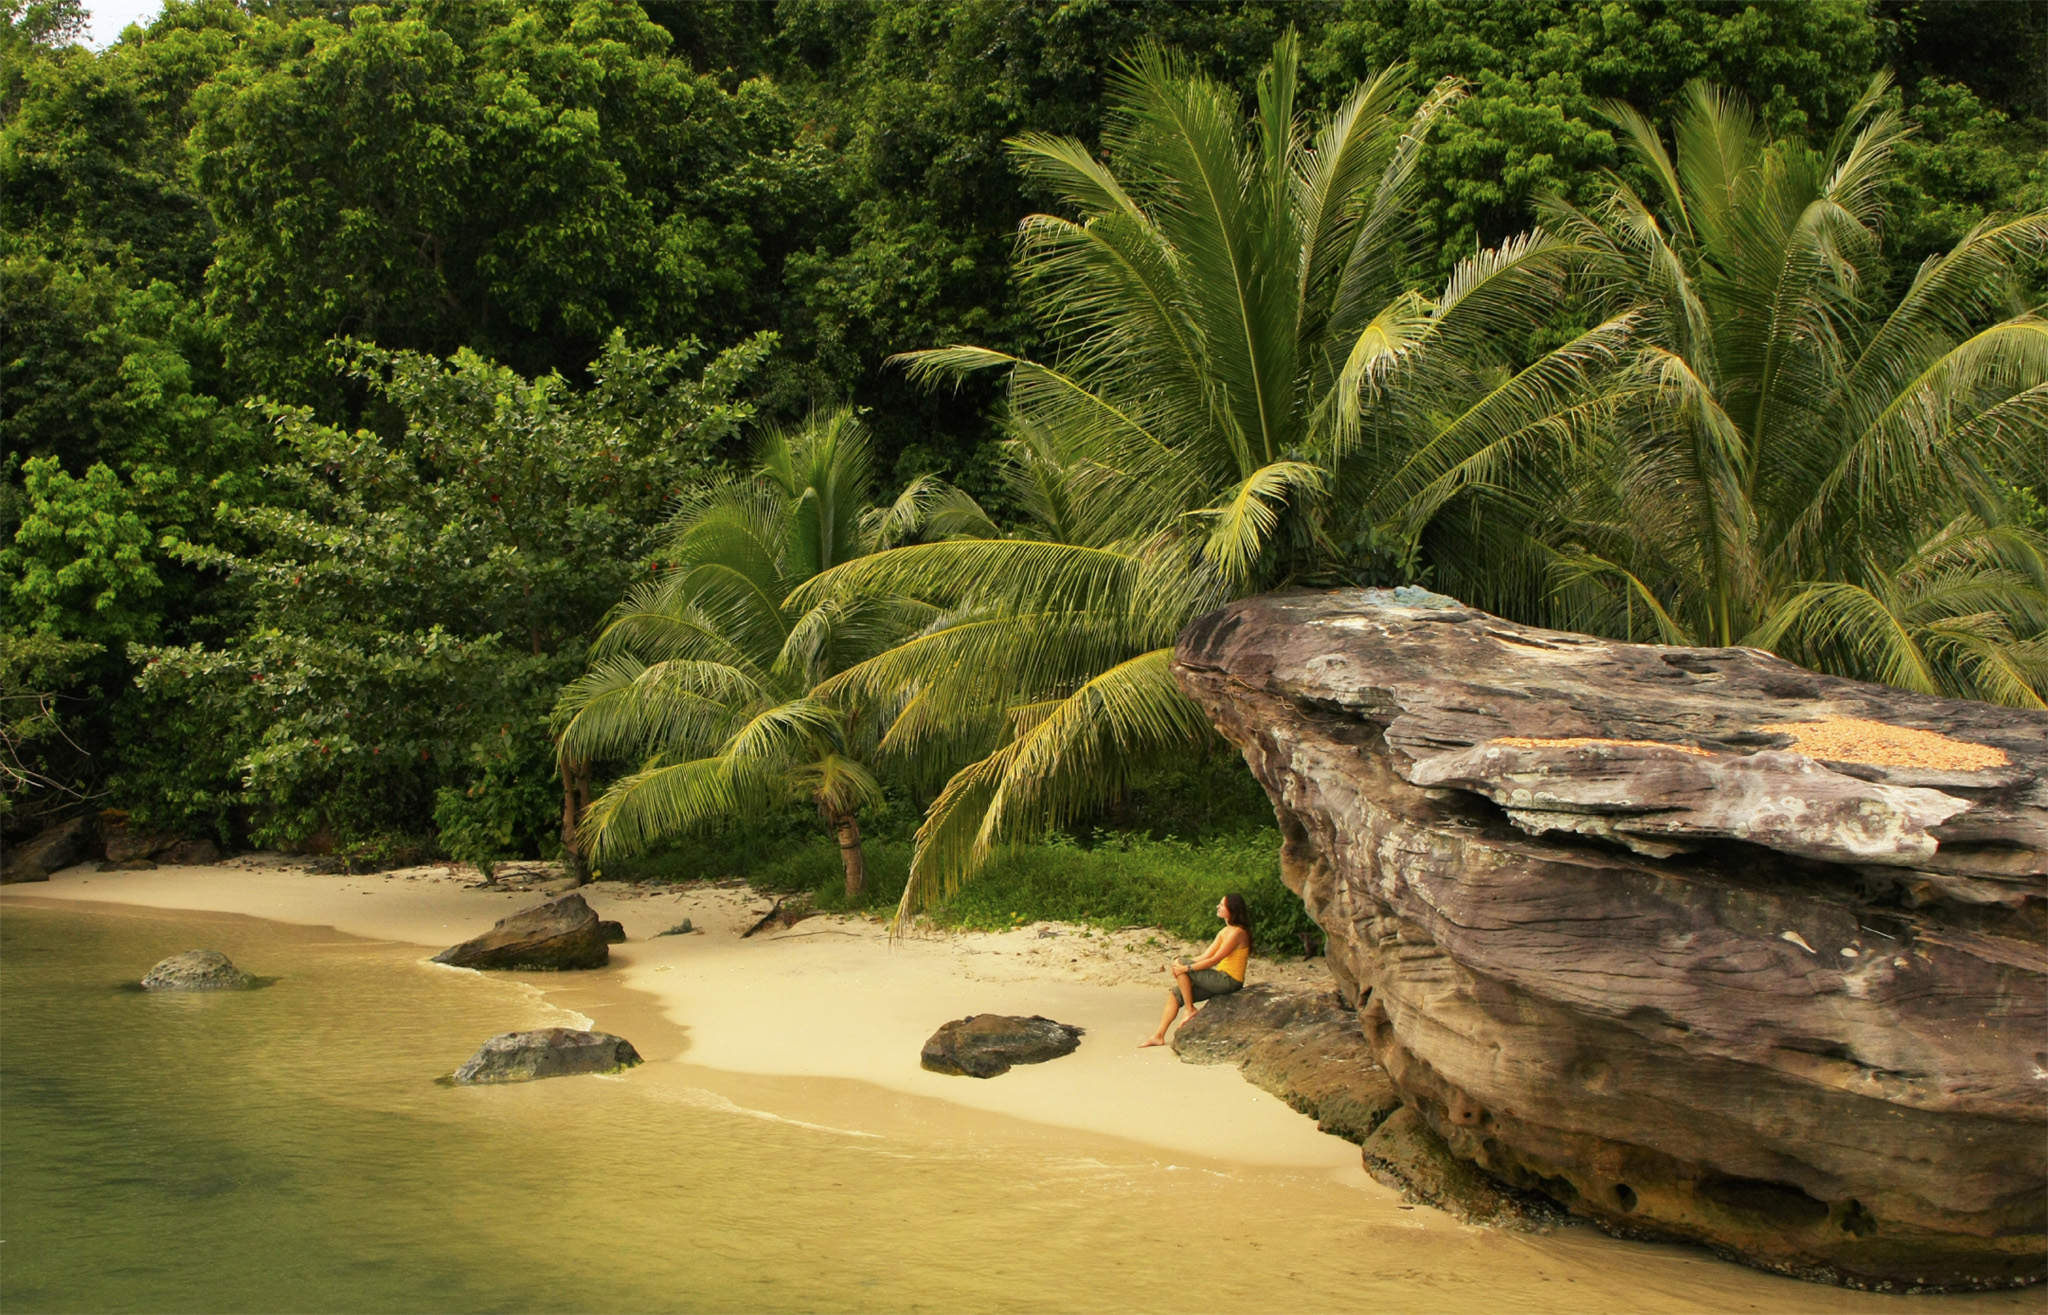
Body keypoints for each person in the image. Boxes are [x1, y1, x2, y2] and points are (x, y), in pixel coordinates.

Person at [1139, 893, 1251, 1048]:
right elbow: (1206, 955)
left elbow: (1214, 960)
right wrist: (1178, 966)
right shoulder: (1225, 931)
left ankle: (1189, 1009)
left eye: (1221, 905)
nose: (1218, 907)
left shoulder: (1238, 932)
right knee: (1175, 992)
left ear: (1232, 909)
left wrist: (1186, 967)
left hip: (1229, 981)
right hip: (1219, 980)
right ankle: (1158, 1036)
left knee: (1182, 964)